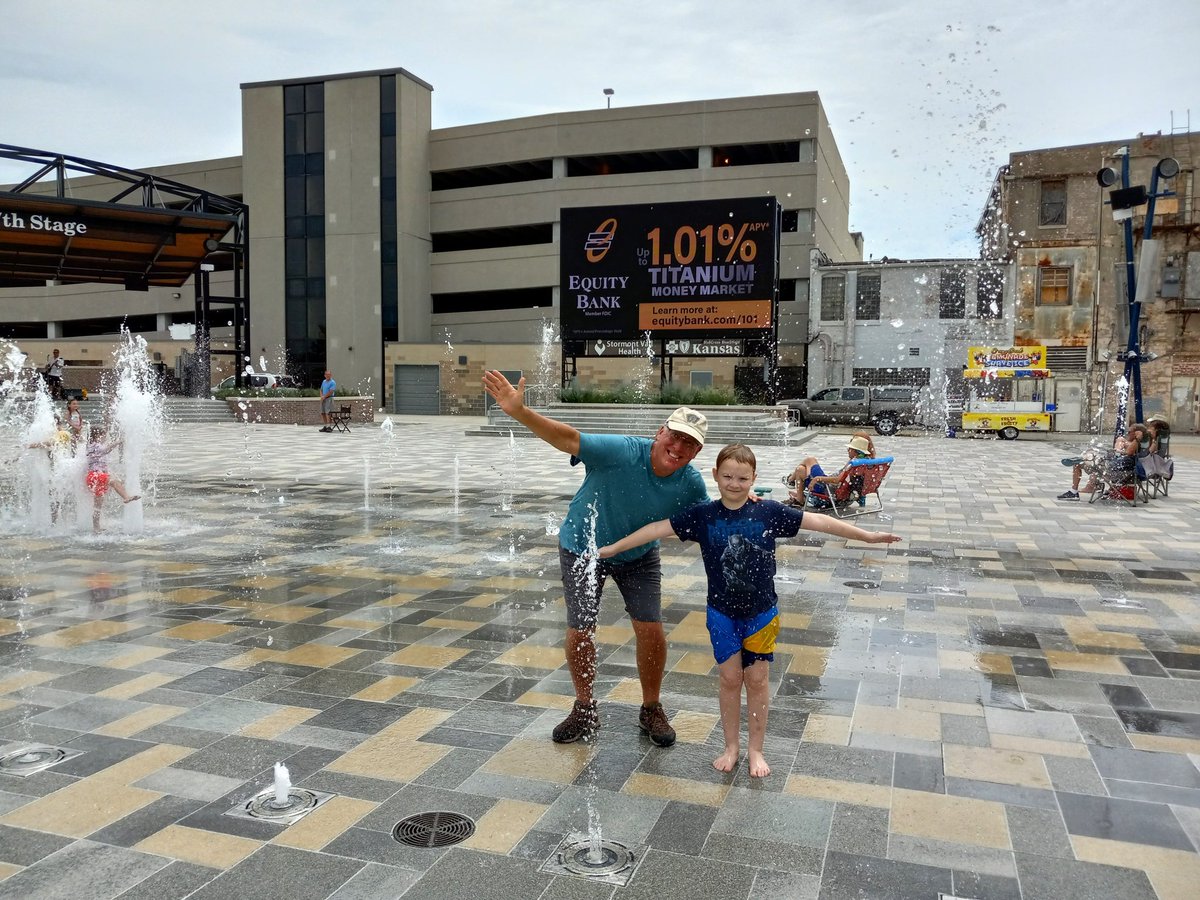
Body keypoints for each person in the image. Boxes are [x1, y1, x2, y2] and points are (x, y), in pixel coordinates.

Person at [599, 443, 901, 777]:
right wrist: (612, 548)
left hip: (761, 614)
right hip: (721, 614)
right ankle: (731, 747)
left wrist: (867, 536)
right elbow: (657, 529)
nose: (734, 483)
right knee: (729, 679)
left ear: (754, 478)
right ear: (715, 475)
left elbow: (818, 522)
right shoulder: (703, 516)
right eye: (727, 476)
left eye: (742, 478)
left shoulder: (768, 511)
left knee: (757, 680)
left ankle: (756, 750)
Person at [482, 369, 709, 747]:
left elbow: (711, 521)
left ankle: (651, 707)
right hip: (582, 548)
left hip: (637, 556)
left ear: (697, 452)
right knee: (581, 628)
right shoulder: (621, 451)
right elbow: (569, 438)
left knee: (650, 628)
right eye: (675, 436)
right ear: (660, 432)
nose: (679, 447)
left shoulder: (691, 483)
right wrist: (520, 412)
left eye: (690, 444)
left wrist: (744, 505)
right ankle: (585, 706)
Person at [1057, 423, 1146, 500]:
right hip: (1111, 467)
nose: (1127, 433)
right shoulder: (1131, 442)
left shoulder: (1136, 443)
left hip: (1112, 471)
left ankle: (1074, 492)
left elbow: (1129, 452)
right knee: (1090, 454)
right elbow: (1120, 450)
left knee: (1078, 463)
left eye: (1130, 431)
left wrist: (1137, 439)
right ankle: (1085, 459)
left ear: (1137, 433)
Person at [85, 425, 140, 531]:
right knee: (115, 483)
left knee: (98, 505)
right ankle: (126, 497)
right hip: (97, 476)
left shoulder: (90, 445)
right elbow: (105, 450)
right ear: (97, 435)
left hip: (94, 476)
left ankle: (96, 527)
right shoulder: (95, 445)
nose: (105, 437)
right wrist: (118, 442)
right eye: (103, 435)